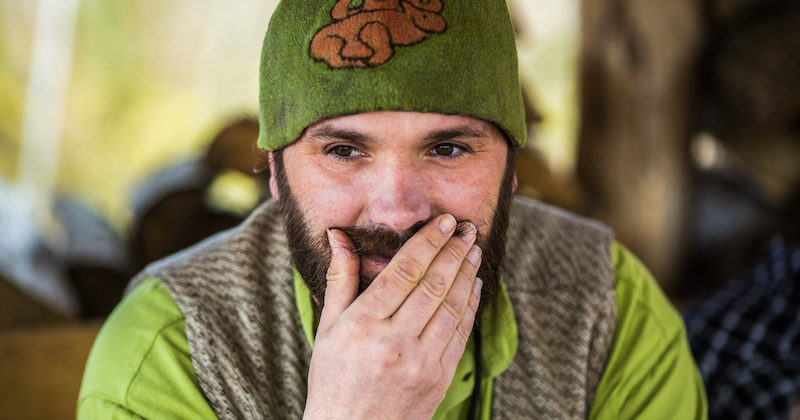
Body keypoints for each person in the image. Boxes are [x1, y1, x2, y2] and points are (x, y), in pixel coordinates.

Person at [78, 0, 708, 418]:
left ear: (514, 170)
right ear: (275, 174)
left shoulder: (607, 304)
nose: (399, 211)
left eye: (448, 148)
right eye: (345, 151)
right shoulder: (168, 353)